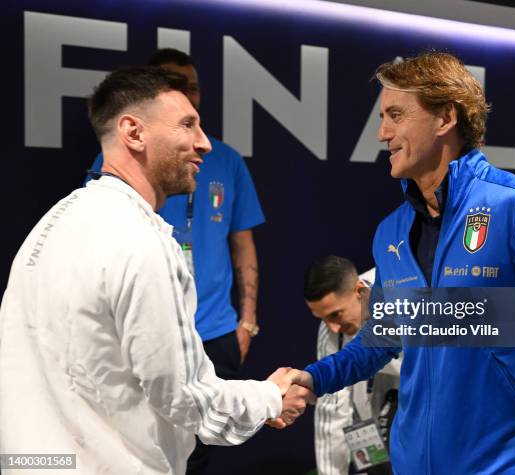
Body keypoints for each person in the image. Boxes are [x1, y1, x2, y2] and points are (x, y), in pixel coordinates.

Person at [270, 52, 515, 474]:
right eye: (382, 117)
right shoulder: (390, 233)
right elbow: (383, 338)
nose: (382, 132)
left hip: (504, 464)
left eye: (395, 114)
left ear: (446, 117)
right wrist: (315, 379)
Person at [0, 66, 312, 475]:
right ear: (133, 132)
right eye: (187, 125)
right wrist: (270, 397)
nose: (204, 144)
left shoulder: (52, 224)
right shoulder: (142, 241)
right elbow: (185, 398)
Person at [87, 49, 265, 473]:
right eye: (175, 85)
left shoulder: (225, 160)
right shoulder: (110, 176)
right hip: (149, 326)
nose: (187, 94)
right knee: (147, 440)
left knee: (201, 448)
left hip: (216, 328)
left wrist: (247, 320)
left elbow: (243, 243)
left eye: (193, 88)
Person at [304, 256, 400, 475]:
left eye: (335, 315)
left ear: (359, 291)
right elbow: (332, 406)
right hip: (375, 401)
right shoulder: (332, 329)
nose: (333, 328)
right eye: (323, 318)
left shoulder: (403, 293)